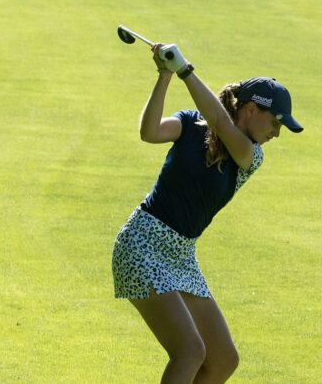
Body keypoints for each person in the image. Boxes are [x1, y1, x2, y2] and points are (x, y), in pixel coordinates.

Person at [112, 44, 303, 384]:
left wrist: (186, 70)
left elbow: (219, 121)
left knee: (223, 359)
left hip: (181, 257)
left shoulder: (249, 155)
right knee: (189, 351)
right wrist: (166, 76)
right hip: (141, 244)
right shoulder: (188, 123)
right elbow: (150, 131)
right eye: (274, 122)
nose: (277, 133)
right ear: (249, 110)